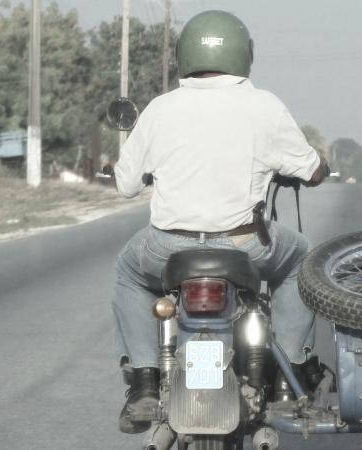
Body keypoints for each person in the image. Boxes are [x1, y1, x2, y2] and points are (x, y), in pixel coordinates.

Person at [109, 10, 330, 434]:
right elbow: (310, 170)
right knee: (303, 260)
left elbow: (125, 185)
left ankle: (143, 384)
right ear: (244, 54)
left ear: (184, 54)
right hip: (243, 245)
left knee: (128, 273)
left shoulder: (160, 108)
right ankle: (288, 377)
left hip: (169, 247)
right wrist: (319, 168)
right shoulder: (264, 105)